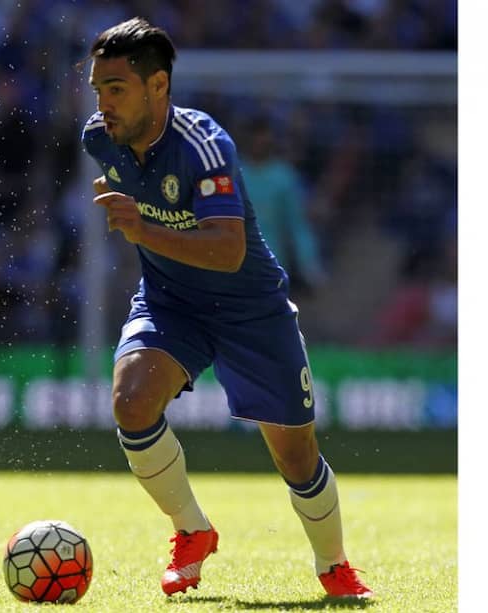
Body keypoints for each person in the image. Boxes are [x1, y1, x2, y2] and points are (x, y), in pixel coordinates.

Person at [80, 18, 372, 599]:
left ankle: (333, 565)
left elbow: (227, 247)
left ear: (157, 85)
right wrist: (147, 236)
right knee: (131, 402)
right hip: (170, 303)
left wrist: (141, 228)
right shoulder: (98, 138)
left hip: (250, 309)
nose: (103, 103)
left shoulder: (205, 144)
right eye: (97, 89)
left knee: (296, 457)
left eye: (116, 88)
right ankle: (192, 530)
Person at [241, 116, 327, 290]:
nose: (259, 143)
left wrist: (309, 262)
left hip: (271, 265)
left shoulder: (284, 177)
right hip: (234, 264)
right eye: (255, 138)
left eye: (264, 139)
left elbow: (298, 224)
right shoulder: (232, 173)